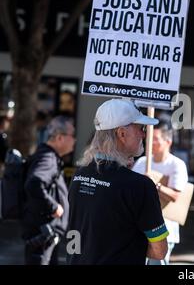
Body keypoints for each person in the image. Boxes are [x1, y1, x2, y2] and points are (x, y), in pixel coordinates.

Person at [67, 99, 168, 265]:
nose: (144, 134)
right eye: (141, 129)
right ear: (121, 134)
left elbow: (81, 234)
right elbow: (160, 250)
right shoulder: (140, 185)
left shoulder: (79, 175)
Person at [132, 119, 189, 265]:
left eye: (156, 139)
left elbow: (175, 195)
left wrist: (155, 184)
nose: (151, 143)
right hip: (138, 227)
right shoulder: (142, 162)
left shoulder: (176, 165)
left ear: (168, 141)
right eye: (149, 138)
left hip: (164, 228)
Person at [22, 116, 75, 265]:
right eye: (72, 136)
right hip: (42, 235)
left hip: (44, 234)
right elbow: (34, 183)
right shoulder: (48, 158)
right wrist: (54, 206)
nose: (74, 140)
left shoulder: (47, 156)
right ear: (59, 137)